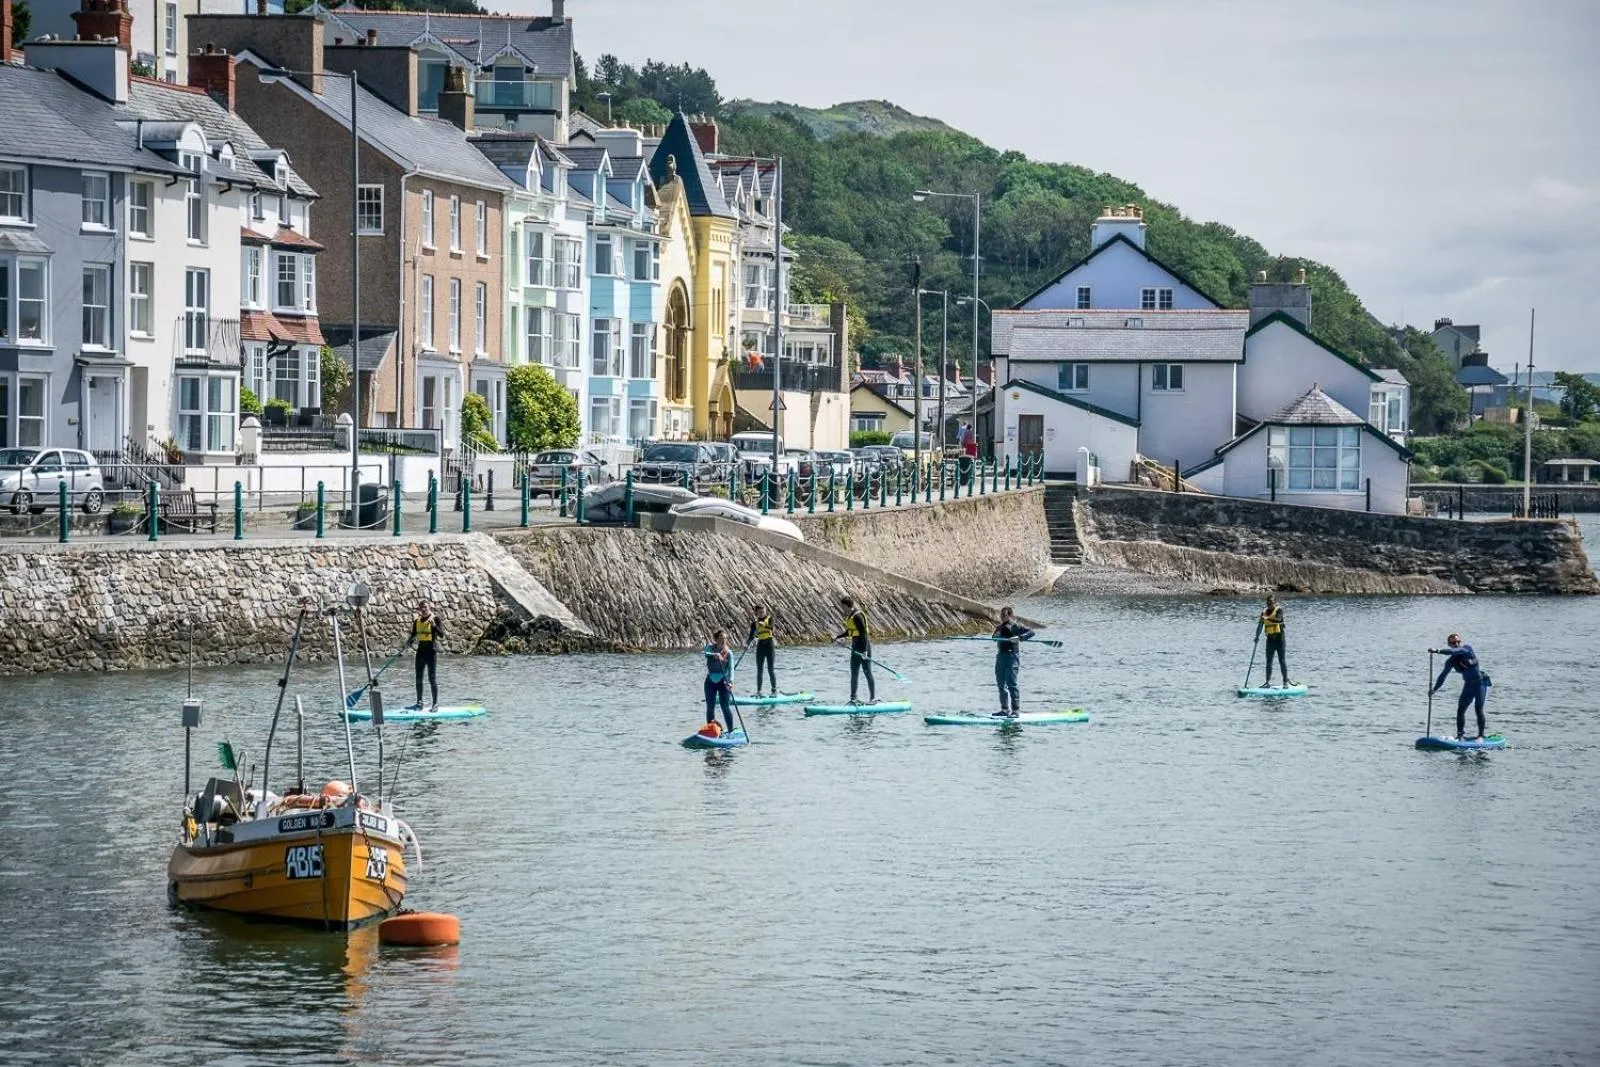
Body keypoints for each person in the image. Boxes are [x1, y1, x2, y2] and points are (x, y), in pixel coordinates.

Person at [1431, 633, 1491, 740]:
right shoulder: (1450, 662)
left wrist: (1438, 651)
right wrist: (1434, 689)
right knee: (1460, 710)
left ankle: (1481, 735)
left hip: (1480, 683)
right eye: (1453, 643)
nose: (1457, 644)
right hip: (1468, 685)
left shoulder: (1467, 649)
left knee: (1478, 709)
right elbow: (1443, 676)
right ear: (1449, 644)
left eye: (1458, 642)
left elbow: (1455, 651)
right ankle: (1460, 735)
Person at [991, 606, 1036, 717]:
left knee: (1011, 683)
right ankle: (1004, 710)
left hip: (1012, 657)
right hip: (1001, 656)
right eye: (1001, 615)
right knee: (1001, 684)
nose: (1002, 617)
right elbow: (994, 637)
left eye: (1004, 615)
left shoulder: (1015, 626)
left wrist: (1020, 638)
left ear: (1010, 615)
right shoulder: (999, 627)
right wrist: (997, 637)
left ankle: (1015, 711)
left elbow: (1031, 632)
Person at [835, 596, 876, 705]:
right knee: (854, 673)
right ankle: (853, 699)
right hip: (855, 648)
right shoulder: (850, 617)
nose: (841, 608)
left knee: (867, 672)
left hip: (864, 648)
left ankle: (873, 699)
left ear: (846, 605)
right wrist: (838, 637)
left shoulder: (857, 616)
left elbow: (863, 633)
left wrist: (865, 651)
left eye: (842, 606)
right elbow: (850, 632)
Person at [405, 600, 444, 711]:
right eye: (421, 607)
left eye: (425, 607)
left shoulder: (435, 619)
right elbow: (413, 635)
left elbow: (442, 635)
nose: (423, 609)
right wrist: (409, 642)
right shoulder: (417, 621)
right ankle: (419, 703)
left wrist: (434, 626)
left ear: (429, 607)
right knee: (418, 679)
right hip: (420, 652)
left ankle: (435, 704)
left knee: (432, 679)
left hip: (431, 652)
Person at [703, 629, 736, 735]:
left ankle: (730, 731)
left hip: (723, 682)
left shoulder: (729, 653)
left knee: (724, 706)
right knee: (710, 707)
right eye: (721, 639)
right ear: (716, 640)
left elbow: (731, 669)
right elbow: (706, 653)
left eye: (725, 639)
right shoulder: (710, 648)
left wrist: (730, 682)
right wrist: (715, 655)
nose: (724, 641)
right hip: (710, 682)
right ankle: (710, 730)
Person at [1258, 595, 1294, 688]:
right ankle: (1267, 682)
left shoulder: (1279, 610)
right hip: (1270, 640)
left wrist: (1266, 619)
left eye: (1271, 603)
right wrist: (1256, 636)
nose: (1269, 604)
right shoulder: (1264, 612)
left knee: (1282, 661)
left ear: (1275, 603)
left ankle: (1285, 682)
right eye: (1268, 603)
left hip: (1280, 640)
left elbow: (1278, 619)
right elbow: (1260, 625)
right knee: (1268, 662)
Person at [745, 605, 778, 696]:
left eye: (763, 612)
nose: (762, 614)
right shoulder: (754, 624)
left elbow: (772, 628)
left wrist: (765, 625)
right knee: (759, 670)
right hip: (760, 647)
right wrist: (748, 642)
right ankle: (759, 692)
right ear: (756, 613)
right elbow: (751, 637)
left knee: (770, 669)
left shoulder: (770, 619)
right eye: (759, 612)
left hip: (769, 645)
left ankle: (774, 691)